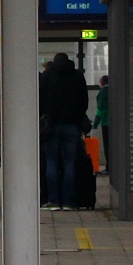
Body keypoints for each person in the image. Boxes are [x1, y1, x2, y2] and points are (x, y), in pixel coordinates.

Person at [40, 52, 88, 210]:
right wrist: (78, 117)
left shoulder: (47, 75)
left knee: (51, 162)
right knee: (69, 163)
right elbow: (84, 100)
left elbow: (40, 99)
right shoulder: (77, 76)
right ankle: (69, 201)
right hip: (72, 125)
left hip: (51, 126)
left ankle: (53, 200)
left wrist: (45, 117)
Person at [94, 75, 110, 174]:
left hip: (106, 122)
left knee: (107, 146)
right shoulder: (116, 90)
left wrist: (95, 123)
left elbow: (100, 109)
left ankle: (109, 167)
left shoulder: (103, 92)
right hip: (117, 123)